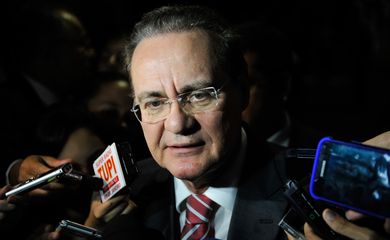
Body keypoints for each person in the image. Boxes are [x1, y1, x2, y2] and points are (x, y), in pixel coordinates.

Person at [102, 5, 292, 240]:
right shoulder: (127, 196)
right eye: (154, 103)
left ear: (241, 93)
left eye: (199, 96)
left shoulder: (310, 195)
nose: (176, 124)